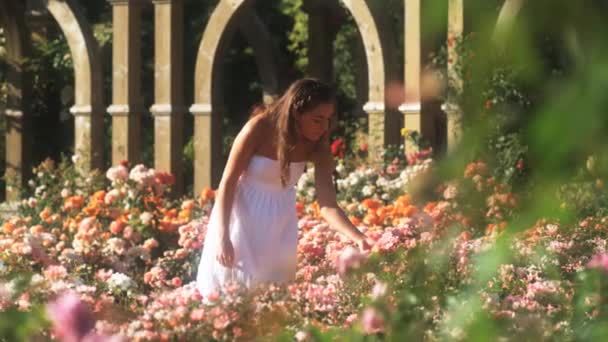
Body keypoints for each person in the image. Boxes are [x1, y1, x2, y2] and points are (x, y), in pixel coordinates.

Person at [196, 78, 373, 299]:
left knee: (273, 302)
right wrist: (223, 237)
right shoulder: (259, 128)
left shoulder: (318, 146)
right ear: (297, 111)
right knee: (231, 298)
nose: (324, 127)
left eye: (328, 120)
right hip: (240, 220)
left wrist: (358, 237)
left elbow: (328, 206)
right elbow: (227, 183)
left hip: (280, 224)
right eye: (318, 119)